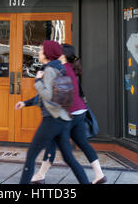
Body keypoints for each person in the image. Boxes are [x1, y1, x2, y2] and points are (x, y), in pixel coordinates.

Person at [30, 43, 107, 184]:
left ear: (63, 55)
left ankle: (40, 175)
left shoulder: (60, 69)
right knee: (83, 143)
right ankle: (99, 174)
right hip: (80, 111)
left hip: (69, 114)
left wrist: (38, 83)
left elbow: (52, 95)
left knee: (53, 143)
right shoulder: (71, 68)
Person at [15, 40, 90, 185]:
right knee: (69, 158)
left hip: (52, 120)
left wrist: (37, 82)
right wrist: (26, 103)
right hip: (63, 119)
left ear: (47, 53)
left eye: (41, 50)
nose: (38, 52)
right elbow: (54, 96)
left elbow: (48, 96)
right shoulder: (61, 68)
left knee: (31, 156)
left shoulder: (49, 70)